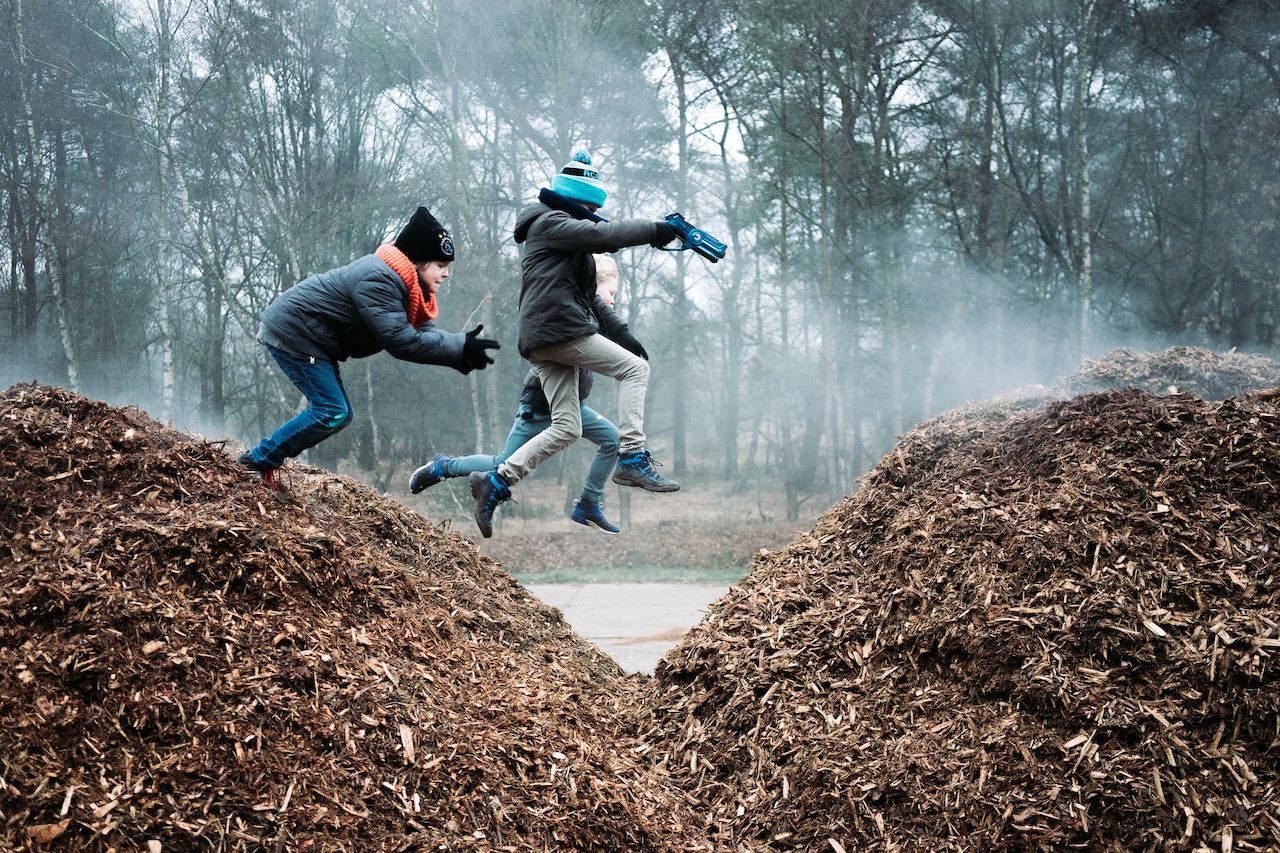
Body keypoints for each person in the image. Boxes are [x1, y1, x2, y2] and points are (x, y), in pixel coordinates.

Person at [469, 149, 680, 538]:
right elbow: (605, 235)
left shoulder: (563, 238)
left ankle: (495, 482)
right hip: (557, 330)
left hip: (546, 336)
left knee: (566, 427)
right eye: (588, 205)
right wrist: (656, 229)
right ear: (574, 200)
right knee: (636, 371)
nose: (591, 212)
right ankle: (632, 456)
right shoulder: (549, 222)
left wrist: (624, 336)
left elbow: (592, 299)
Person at [238, 206, 500, 488]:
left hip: (311, 339)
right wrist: (459, 347)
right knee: (331, 411)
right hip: (295, 333)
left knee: (338, 413)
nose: (446, 274)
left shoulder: (406, 285)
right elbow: (401, 341)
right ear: (419, 262)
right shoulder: (380, 278)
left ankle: (261, 461)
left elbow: (422, 332)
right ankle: (256, 463)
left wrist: (460, 353)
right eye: (441, 266)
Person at [408, 255, 643, 534]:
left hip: (572, 407)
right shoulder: (573, 315)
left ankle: (589, 503)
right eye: (611, 292)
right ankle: (443, 467)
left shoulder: (593, 317)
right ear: (593, 286)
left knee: (613, 440)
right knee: (501, 464)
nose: (614, 300)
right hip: (539, 407)